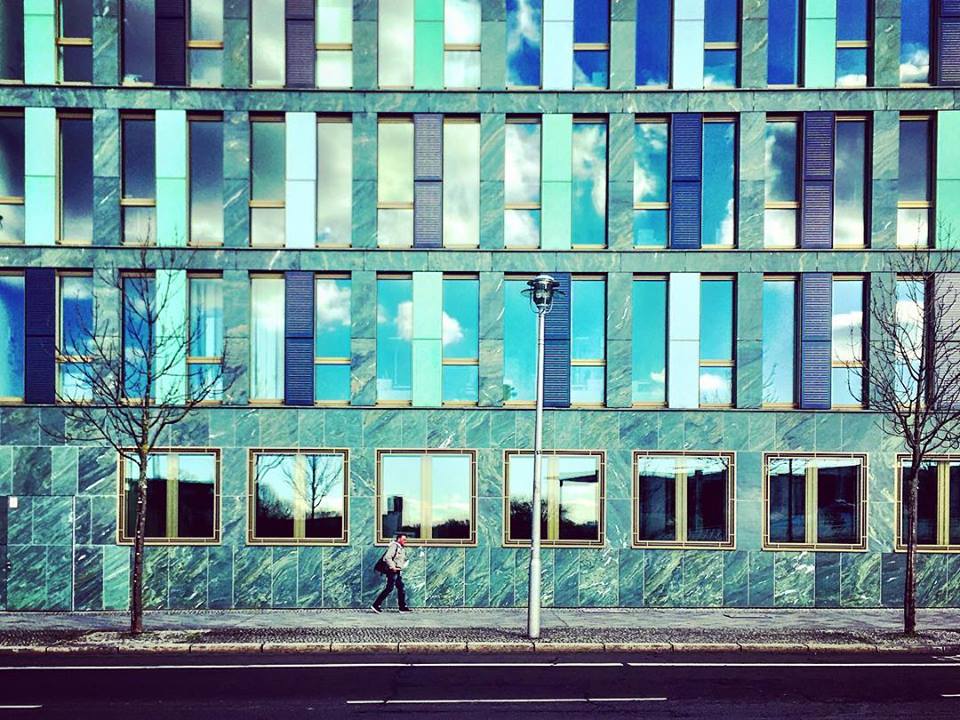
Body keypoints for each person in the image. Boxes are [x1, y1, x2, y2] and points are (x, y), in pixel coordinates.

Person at [371, 533, 412, 613]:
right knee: (390, 588)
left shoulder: (401, 548)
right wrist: (393, 567)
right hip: (392, 571)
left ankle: (402, 607)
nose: (405, 541)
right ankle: (376, 605)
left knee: (400, 587)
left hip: (397, 571)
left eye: (406, 540)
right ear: (398, 539)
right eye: (404, 539)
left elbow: (399, 559)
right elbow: (387, 557)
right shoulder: (394, 546)